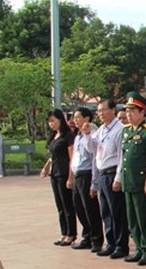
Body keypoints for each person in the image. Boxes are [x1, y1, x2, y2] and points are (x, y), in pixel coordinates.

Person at [117, 92, 146, 265]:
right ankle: (138, 248)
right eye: (127, 110)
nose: (129, 114)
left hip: (141, 181)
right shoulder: (126, 131)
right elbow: (123, 156)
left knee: (144, 218)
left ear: (142, 112)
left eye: (133, 111)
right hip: (128, 180)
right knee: (132, 218)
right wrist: (119, 178)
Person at [94, 98, 129, 259]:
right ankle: (111, 243)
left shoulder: (120, 129)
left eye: (103, 110)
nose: (100, 113)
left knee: (117, 212)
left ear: (113, 110)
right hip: (102, 173)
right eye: (99, 110)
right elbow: (93, 150)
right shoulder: (101, 130)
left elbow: (122, 156)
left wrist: (118, 177)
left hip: (113, 172)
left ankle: (121, 245)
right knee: (106, 212)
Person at [69, 107, 104, 252]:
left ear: (87, 119)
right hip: (78, 174)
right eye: (74, 118)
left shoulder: (93, 134)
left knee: (90, 209)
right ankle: (87, 236)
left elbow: (93, 156)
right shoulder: (78, 136)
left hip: (88, 174)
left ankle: (96, 239)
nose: (75, 120)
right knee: (78, 207)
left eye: (78, 117)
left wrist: (94, 183)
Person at [41, 109, 77, 246]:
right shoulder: (54, 136)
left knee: (67, 205)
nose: (51, 124)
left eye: (53, 121)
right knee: (60, 206)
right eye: (49, 121)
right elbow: (52, 156)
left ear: (60, 120)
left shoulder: (68, 136)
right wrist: (45, 167)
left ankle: (71, 233)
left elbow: (71, 157)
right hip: (54, 174)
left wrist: (70, 177)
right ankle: (64, 232)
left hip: (63, 173)